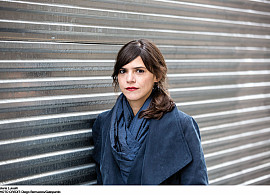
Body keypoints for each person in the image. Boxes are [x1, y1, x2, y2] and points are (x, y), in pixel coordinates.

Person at [92, 39, 208, 185]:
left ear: (157, 76)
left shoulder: (182, 125)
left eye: (139, 71)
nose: (129, 79)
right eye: (123, 71)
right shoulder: (104, 123)